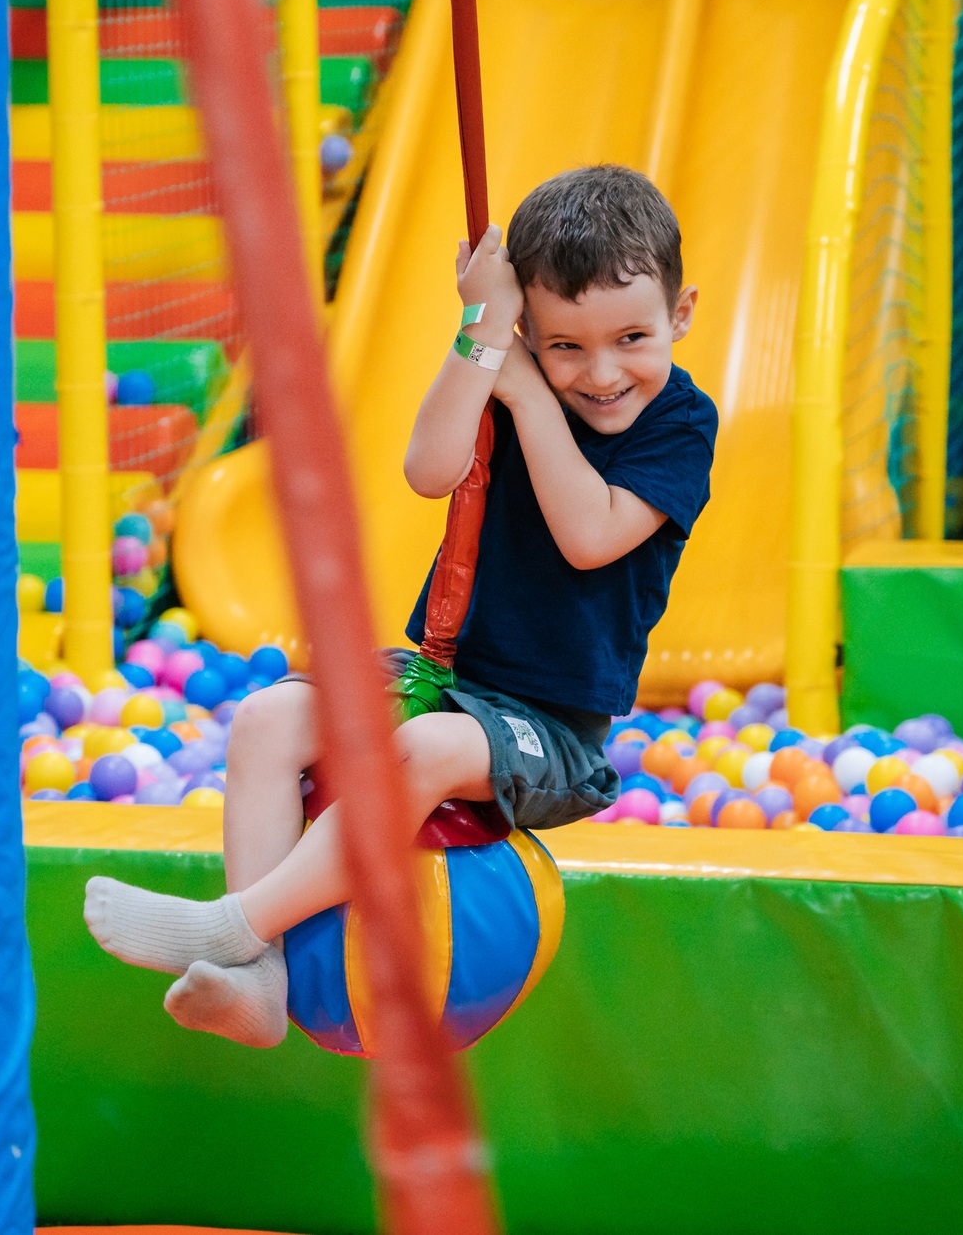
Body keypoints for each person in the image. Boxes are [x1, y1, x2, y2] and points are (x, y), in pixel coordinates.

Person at [82, 165, 718, 1045]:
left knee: (420, 747)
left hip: (552, 728)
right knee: (269, 718)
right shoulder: (510, 366)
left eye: (633, 338)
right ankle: (260, 988)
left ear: (681, 313)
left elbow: (589, 534)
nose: (602, 373)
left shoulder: (681, 424)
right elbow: (429, 470)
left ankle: (236, 928)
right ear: (532, 326)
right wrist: (480, 337)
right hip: (444, 674)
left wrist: (532, 391)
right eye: (566, 345)